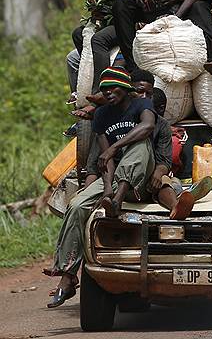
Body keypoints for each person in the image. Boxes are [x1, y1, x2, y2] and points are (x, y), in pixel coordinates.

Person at [45, 67, 159, 307]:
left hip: (140, 173)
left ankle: (116, 200)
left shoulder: (141, 105)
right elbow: (103, 159)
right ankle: (66, 275)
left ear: (126, 88)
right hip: (114, 176)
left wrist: (115, 147)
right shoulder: (101, 116)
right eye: (104, 90)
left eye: (113, 88)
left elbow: (147, 127)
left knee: (139, 145)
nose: (108, 94)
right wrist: (106, 187)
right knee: (76, 205)